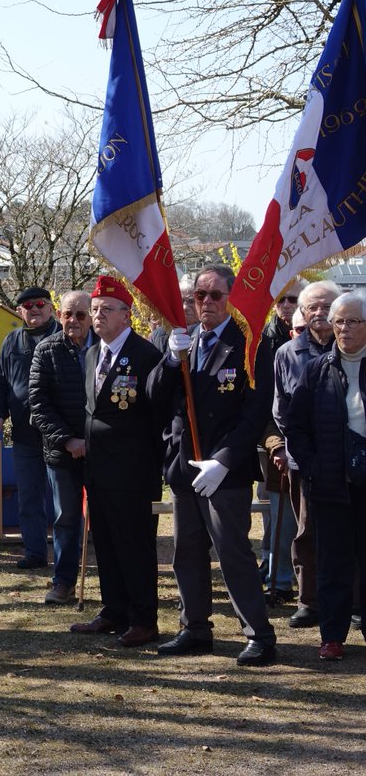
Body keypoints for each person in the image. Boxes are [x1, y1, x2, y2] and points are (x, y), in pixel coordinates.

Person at [147, 263, 277, 666]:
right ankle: (195, 628)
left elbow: (254, 413)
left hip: (226, 470)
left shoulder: (250, 344)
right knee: (185, 551)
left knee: (233, 551)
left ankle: (259, 633)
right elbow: (154, 397)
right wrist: (171, 359)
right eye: (197, 296)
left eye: (214, 295)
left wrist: (223, 461)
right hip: (186, 466)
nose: (204, 303)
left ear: (231, 299)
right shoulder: (185, 341)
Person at [68, 277, 165, 647]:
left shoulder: (144, 356)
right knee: (105, 543)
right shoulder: (92, 354)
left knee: (134, 545)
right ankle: (114, 611)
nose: (97, 316)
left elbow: (157, 416)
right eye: (94, 310)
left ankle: (143, 619)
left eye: (106, 310)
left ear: (127, 315)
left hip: (133, 471)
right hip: (98, 469)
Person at [284, 288, 366, 661]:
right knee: (332, 561)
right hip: (332, 483)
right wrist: (313, 465)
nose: (345, 328)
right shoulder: (318, 369)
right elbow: (295, 425)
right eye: (339, 321)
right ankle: (332, 637)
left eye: (353, 321)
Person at [273, 280, 341, 630]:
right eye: (311, 306)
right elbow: (282, 409)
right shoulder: (287, 353)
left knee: (351, 531)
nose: (319, 312)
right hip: (304, 460)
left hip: (348, 458)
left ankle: (354, 603)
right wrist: (297, 450)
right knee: (306, 532)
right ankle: (308, 601)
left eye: (326, 305)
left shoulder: (354, 348)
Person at [28, 290, 93, 605]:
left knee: (108, 519)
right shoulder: (47, 349)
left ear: (92, 316)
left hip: (103, 452)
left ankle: (115, 585)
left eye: (81, 315)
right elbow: (38, 404)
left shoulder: (108, 347)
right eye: (68, 314)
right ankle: (63, 581)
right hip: (62, 452)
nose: (73, 321)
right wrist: (68, 440)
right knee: (66, 518)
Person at [0, 286, 61, 569]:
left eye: (40, 304)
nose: (34, 310)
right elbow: (1, 383)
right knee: (29, 496)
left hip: (58, 433)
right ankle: (35, 553)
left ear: (51, 307)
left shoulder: (64, 337)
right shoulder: (11, 341)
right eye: (28, 306)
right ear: (20, 311)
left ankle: (67, 553)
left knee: (61, 499)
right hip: (23, 434)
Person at [258, 282, 304, 598]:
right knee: (279, 516)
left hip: (317, 448)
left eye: (293, 299)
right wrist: (277, 444)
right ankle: (279, 578)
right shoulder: (262, 343)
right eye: (281, 299)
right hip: (276, 444)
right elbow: (261, 404)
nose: (286, 305)